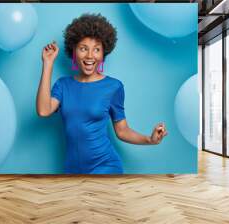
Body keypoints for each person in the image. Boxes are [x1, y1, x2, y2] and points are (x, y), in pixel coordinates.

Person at [36, 13, 168, 174]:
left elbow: (122, 130)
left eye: (96, 49)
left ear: (103, 54)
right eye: (83, 48)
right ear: (74, 51)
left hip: (105, 166)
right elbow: (43, 110)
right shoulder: (63, 85)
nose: (90, 55)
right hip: (72, 168)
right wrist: (48, 63)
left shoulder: (113, 87)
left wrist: (150, 139)